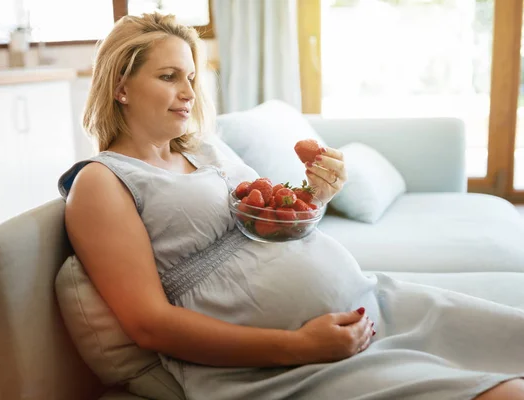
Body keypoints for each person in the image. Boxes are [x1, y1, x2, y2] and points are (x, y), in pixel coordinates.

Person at [57, 12, 524, 400]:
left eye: (191, 78)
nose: (189, 92)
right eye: (168, 77)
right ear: (120, 86)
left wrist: (315, 194)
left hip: (373, 305)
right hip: (283, 368)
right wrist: (298, 346)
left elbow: (273, 224)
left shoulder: (203, 148)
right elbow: (150, 325)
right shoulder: (103, 182)